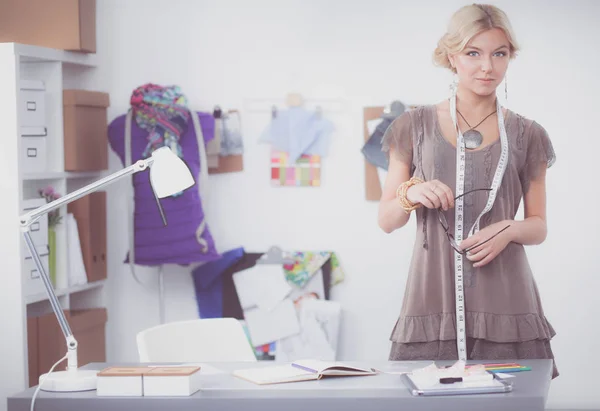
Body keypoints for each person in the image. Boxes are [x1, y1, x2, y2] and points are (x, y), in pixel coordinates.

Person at [377, 4, 558, 378]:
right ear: (451, 57)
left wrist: (509, 228)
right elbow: (386, 221)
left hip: (507, 301)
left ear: (510, 58)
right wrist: (411, 193)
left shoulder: (529, 134)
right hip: (433, 296)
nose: (487, 67)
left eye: (499, 54)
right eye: (473, 53)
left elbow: (538, 226)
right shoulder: (413, 126)